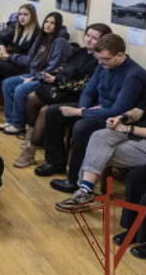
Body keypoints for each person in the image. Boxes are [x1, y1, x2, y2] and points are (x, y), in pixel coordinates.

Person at [37, 34, 146, 194]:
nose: (100, 62)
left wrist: (81, 112)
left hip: (118, 120)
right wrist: (84, 109)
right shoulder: (103, 66)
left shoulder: (133, 75)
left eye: (105, 59)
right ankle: (56, 162)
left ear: (119, 55)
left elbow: (117, 111)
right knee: (54, 111)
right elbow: (88, 91)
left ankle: (74, 180)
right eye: (98, 58)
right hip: (98, 109)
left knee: (82, 126)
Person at [13, 23, 112, 168]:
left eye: (94, 38)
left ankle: (31, 150)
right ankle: (31, 136)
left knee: (45, 110)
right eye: (88, 35)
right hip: (63, 90)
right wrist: (52, 75)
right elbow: (64, 67)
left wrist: (56, 80)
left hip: (81, 98)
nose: (89, 40)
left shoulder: (100, 61)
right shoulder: (81, 51)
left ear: (103, 41)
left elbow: (83, 86)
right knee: (32, 97)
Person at [55, 87, 146, 216]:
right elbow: (138, 112)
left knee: (99, 151)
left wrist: (127, 128)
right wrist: (120, 118)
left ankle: (83, 192)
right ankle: (86, 190)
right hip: (135, 132)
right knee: (98, 137)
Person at [0, 12, 73, 135]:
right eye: (46, 22)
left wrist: (34, 78)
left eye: (52, 23)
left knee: (20, 89)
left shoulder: (60, 42)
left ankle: (18, 124)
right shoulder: (42, 37)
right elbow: (30, 58)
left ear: (58, 25)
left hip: (46, 80)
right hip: (34, 74)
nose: (48, 25)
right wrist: (10, 56)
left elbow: (53, 68)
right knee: (7, 83)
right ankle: (11, 120)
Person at [0, 4, 40, 116]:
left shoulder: (37, 34)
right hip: (14, 65)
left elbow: (29, 60)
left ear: (32, 16)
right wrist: (2, 47)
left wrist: (9, 57)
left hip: (26, 70)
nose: (22, 17)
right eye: (20, 14)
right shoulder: (18, 29)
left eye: (25, 15)